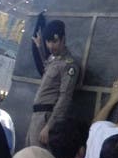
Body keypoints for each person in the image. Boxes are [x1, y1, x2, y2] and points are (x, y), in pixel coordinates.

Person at [26, 19, 80, 147]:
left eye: (54, 41)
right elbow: (47, 68)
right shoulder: (53, 60)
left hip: (46, 117)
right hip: (37, 116)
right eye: (48, 42)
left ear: (63, 39)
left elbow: (65, 97)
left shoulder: (69, 65)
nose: (51, 46)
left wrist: (49, 125)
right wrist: (39, 47)